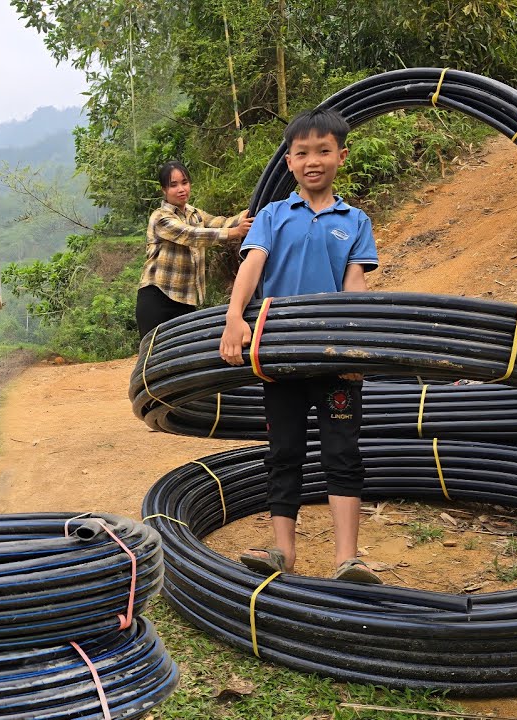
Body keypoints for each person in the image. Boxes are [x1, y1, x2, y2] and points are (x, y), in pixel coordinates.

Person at [218, 109, 382, 584]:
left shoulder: (355, 221)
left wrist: (357, 349)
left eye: (324, 151)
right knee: (284, 450)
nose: (314, 161)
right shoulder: (272, 216)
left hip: (332, 358)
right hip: (282, 357)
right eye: (303, 153)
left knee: (342, 450)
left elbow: (355, 289)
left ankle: (347, 559)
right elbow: (252, 268)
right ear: (289, 161)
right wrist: (234, 317)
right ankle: (283, 552)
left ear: (341, 156)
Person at [136, 160, 253, 339]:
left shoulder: (194, 213)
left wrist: (246, 214)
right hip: (158, 298)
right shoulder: (160, 218)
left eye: (184, 182)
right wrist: (234, 232)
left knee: (181, 358)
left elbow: (219, 222)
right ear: (164, 190)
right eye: (173, 185)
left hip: (186, 299)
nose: (181, 189)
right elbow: (192, 235)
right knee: (153, 357)